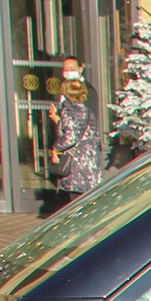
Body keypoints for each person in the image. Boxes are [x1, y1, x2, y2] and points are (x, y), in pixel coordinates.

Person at [47, 70, 101, 213]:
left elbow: (70, 137)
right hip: (87, 162)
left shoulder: (70, 110)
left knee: (76, 204)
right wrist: (58, 120)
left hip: (76, 164)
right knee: (84, 201)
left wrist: (56, 149)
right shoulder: (85, 110)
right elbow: (78, 129)